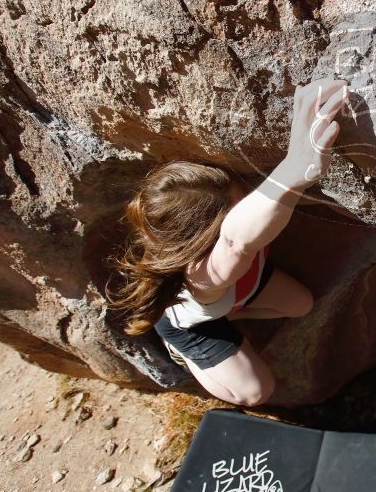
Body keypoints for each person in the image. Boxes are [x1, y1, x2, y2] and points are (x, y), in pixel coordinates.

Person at [106, 78, 350, 407]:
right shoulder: (200, 277)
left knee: (301, 304)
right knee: (255, 392)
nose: (255, 204)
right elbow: (237, 242)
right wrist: (294, 168)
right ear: (206, 239)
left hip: (239, 291)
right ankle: (185, 353)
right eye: (240, 209)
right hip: (194, 323)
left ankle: (227, 316)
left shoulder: (213, 236)